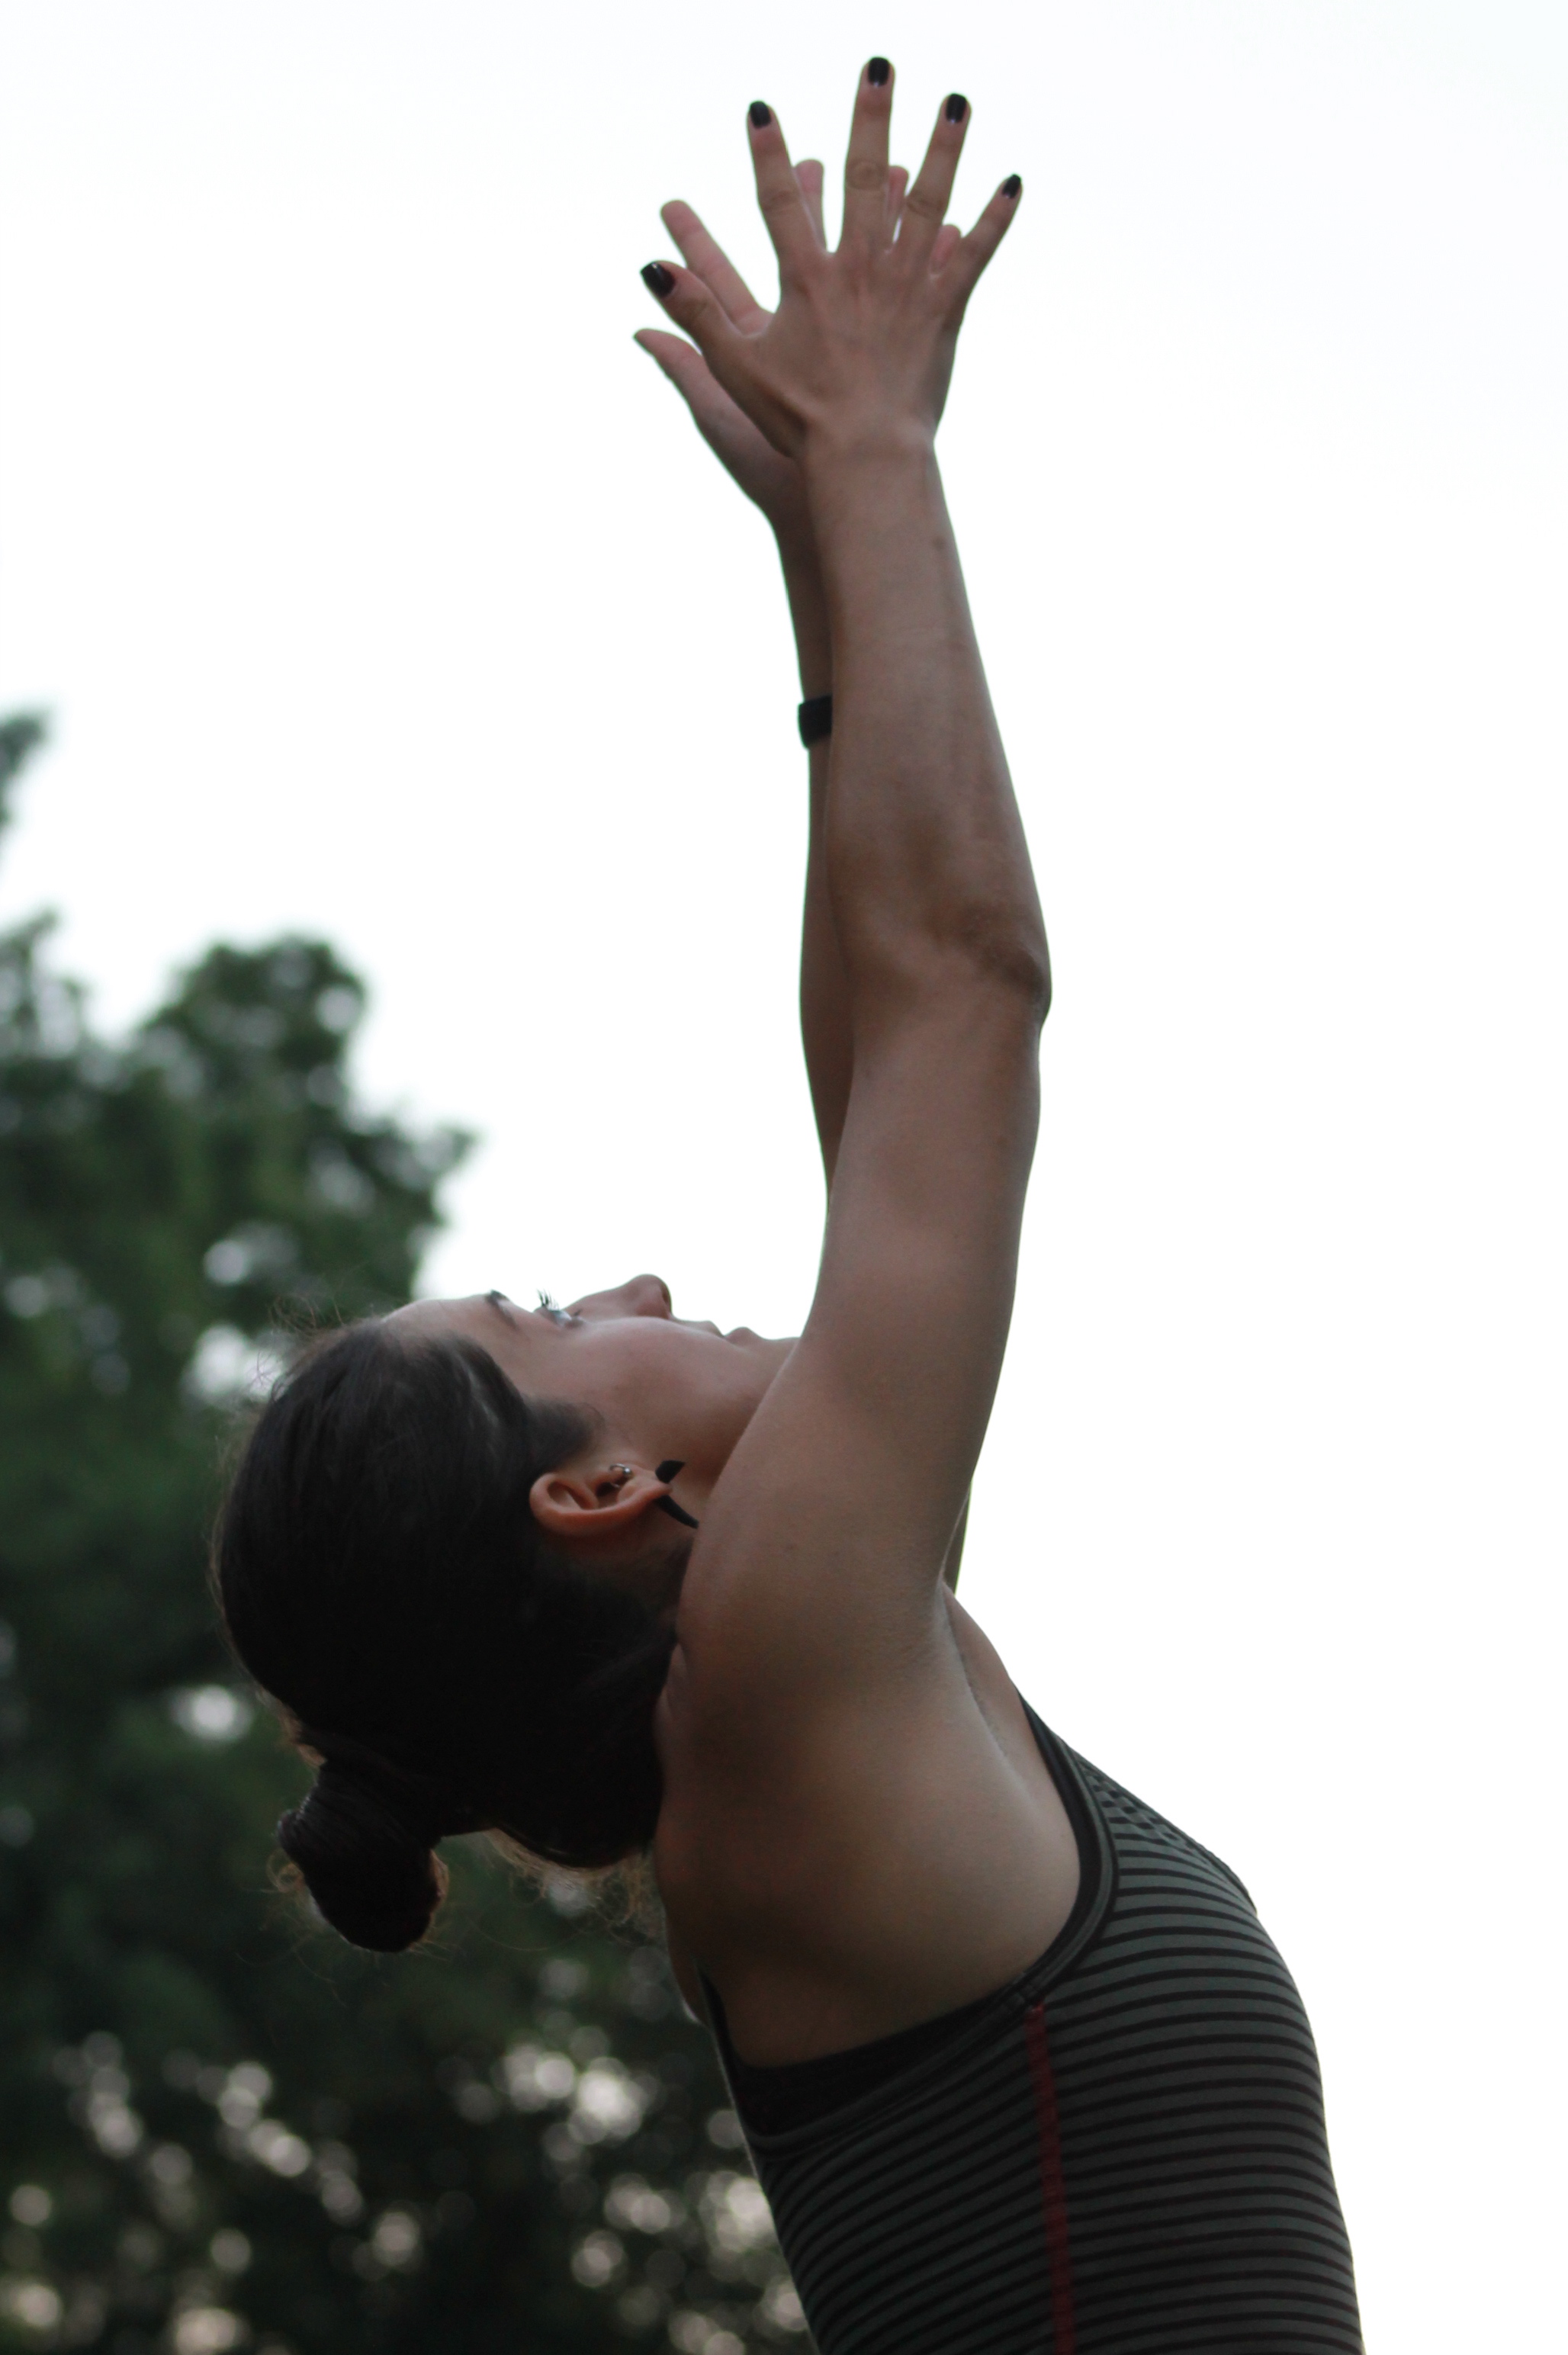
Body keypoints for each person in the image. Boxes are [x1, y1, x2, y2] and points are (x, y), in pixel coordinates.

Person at [217, 61, 1364, 2353]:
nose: (638, 1274)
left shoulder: (810, 1687)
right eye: (556, 1316)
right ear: (591, 1493)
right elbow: (959, 1003)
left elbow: (884, 1083)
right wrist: (882, 457)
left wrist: (829, 573)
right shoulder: (784, 1690)